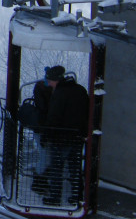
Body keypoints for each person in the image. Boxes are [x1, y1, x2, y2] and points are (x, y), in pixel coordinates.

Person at [41, 65, 89, 206]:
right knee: (75, 168)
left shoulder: (59, 94)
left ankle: (55, 197)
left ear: (56, 80)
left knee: (57, 168)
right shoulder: (80, 90)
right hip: (77, 136)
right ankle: (78, 196)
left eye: (50, 81)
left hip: (60, 137)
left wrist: (46, 135)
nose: (49, 84)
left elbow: (53, 117)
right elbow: (87, 112)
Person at [29, 69, 54, 194]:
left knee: (45, 155)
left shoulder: (39, 90)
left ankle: (39, 181)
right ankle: (39, 181)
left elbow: (42, 108)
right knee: (47, 156)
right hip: (45, 128)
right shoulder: (48, 93)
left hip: (40, 127)